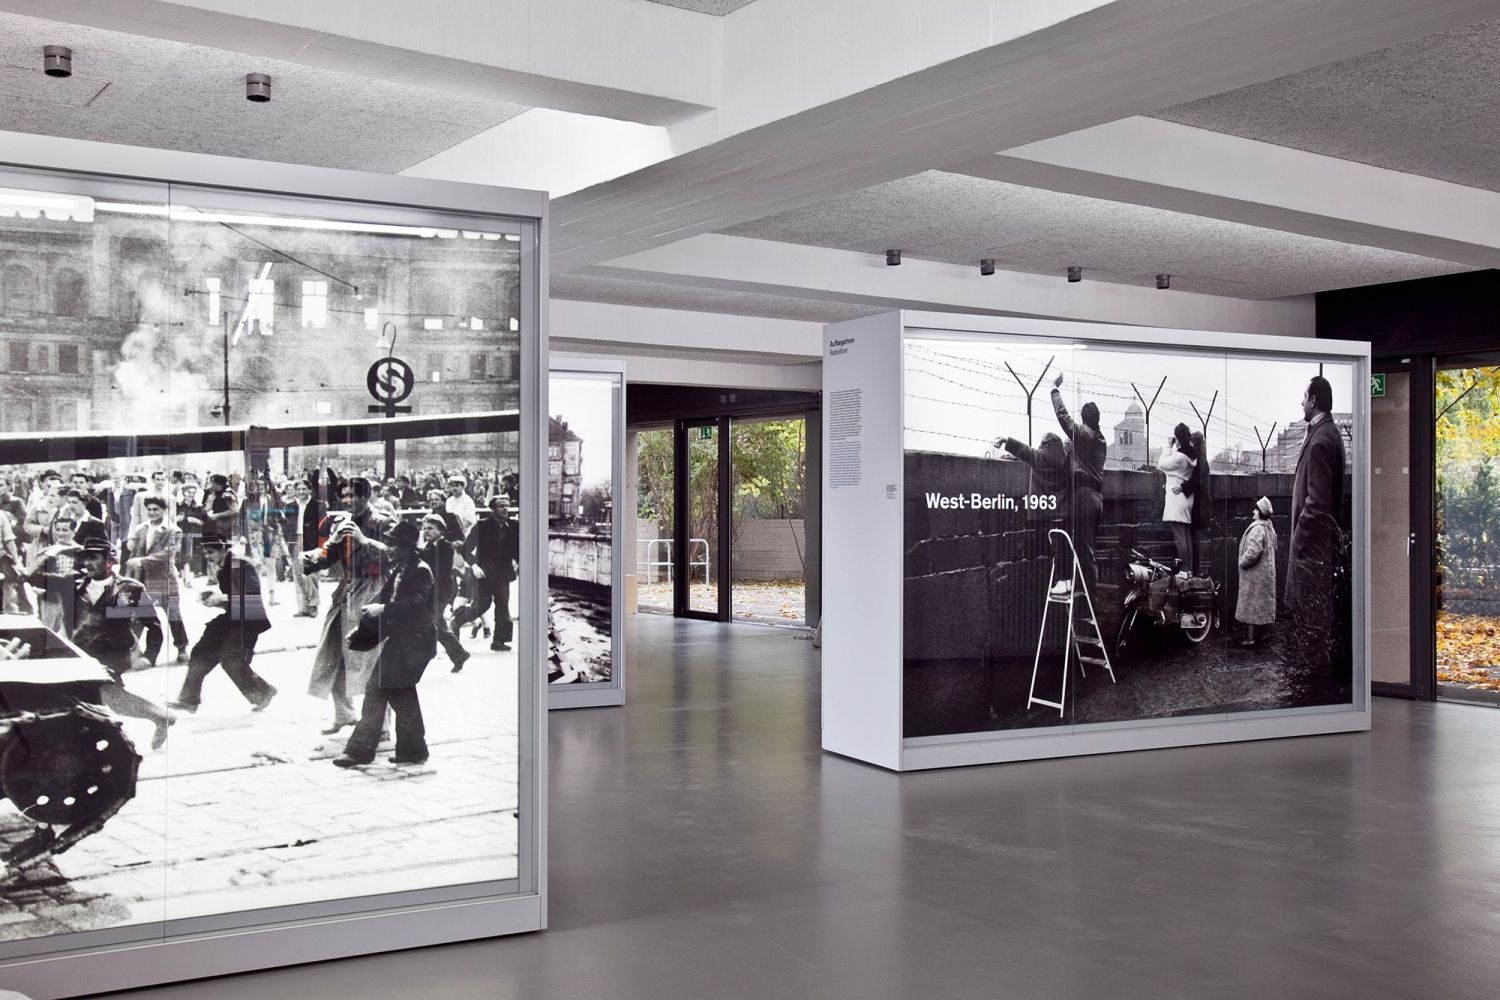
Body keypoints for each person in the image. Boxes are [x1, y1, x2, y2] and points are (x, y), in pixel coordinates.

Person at [30, 535, 174, 750]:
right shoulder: (72, 584)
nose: (87, 563)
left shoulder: (130, 588)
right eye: (85, 558)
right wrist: (54, 551)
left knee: (101, 697)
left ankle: (119, 740)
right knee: (108, 699)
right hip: (81, 654)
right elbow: (32, 577)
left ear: (109, 561)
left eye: (93, 558)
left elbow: (153, 626)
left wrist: (149, 656)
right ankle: (157, 717)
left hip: (113, 654)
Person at [333, 519, 436, 768]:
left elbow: (414, 605)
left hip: (415, 644)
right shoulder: (401, 568)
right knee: (402, 696)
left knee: (376, 690)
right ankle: (413, 750)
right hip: (403, 642)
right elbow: (382, 600)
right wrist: (362, 629)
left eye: (394, 544)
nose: (389, 548)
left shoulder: (421, 570)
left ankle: (360, 751)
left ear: (409, 547)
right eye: (389, 543)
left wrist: (383, 609)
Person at [302, 477, 394, 734]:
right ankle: (344, 714)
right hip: (346, 592)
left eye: (352, 495)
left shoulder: (383, 521)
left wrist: (365, 540)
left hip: (374, 589)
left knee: (370, 660)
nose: (347, 500)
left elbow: (399, 554)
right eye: (343, 496)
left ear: (366, 497)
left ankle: (382, 725)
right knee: (331, 656)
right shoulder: (342, 524)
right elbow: (328, 556)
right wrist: (311, 558)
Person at [169, 532, 276, 713]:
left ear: (223, 550)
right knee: (200, 652)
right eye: (205, 553)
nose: (208, 557)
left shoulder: (241, 565)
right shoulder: (224, 566)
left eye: (211, 552)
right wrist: (213, 599)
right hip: (232, 617)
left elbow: (250, 597)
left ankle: (263, 692)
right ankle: (188, 700)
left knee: (231, 660)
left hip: (248, 620)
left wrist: (223, 597)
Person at [1285, 375, 1346, 677]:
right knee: (1317, 617)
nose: (1301, 402)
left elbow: (1318, 502)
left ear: (1314, 401)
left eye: (1304, 396)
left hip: (1312, 549)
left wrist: (1298, 538)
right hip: (1319, 547)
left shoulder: (1322, 439)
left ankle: (1314, 680)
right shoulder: (1327, 433)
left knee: (1312, 616)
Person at [1049, 373, 1106, 596]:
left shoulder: (1087, 435)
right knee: (1086, 551)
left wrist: (1054, 390)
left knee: (1085, 553)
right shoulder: (1097, 439)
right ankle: (1087, 604)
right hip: (1096, 499)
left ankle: (1090, 606)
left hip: (1082, 498)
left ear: (1084, 420)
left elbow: (1065, 420)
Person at [995, 431, 1072, 595]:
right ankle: (1068, 580)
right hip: (1065, 511)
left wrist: (1005, 439)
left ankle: (1062, 582)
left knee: (1057, 548)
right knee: (1065, 547)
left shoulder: (1039, 458)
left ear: (1044, 446)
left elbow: (1023, 450)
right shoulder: (1065, 458)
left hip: (1049, 512)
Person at [124, 494, 190, 665]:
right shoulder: (140, 529)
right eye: (149, 509)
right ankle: (134, 651)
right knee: (140, 615)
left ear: (164, 510)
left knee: (173, 615)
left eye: (156, 509)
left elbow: (167, 555)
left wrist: (142, 561)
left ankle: (182, 648)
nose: (152, 512)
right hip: (143, 580)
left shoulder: (173, 530)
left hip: (164, 578)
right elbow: (135, 554)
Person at [453, 496, 519, 651]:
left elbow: (520, 546)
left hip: (503, 573)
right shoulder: (482, 526)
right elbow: (465, 548)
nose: (505, 508)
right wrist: (474, 565)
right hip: (483, 573)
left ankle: (498, 641)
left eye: (507, 505)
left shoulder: (514, 526)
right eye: (501, 506)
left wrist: (517, 560)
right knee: (481, 605)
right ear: (493, 509)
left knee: (503, 607)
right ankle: (456, 621)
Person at [419, 513, 469, 671]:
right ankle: (459, 654)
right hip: (431, 589)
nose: (427, 531)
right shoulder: (427, 546)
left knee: (435, 622)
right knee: (437, 623)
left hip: (441, 590)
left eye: (431, 528)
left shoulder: (445, 546)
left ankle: (457, 653)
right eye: (425, 528)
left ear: (440, 530)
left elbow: (441, 571)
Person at [1236, 497, 1278, 648]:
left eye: (1255, 509)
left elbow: (1253, 551)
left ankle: (1250, 638)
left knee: (1251, 606)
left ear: (1260, 512)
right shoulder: (1268, 527)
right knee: (1262, 604)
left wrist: (1243, 562)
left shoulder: (1258, 528)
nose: (1253, 512)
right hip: (1264, 574)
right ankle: (1263, 633)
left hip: (1255, 575)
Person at [1157, 423, 1197, 573]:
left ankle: (1184, 571)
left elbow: (1162, 464)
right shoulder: (1191, 455)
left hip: (1176, 499)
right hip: (1186, 498)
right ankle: (1189, 569)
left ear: (1177, 439)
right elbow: (1177, 473)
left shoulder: (1179, 457)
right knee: (1186, 535)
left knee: (1180, 537)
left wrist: (1168, 446)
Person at [285, 478, 325, 617]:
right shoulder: (290, 506)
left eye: (304, 489)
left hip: (311, 542)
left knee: (311, 574)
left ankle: (313, 605)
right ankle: (303, 607)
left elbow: (323, 527)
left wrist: (321, 546)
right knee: (298, 575)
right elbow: (286, 526)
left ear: (309, 490)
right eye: (299, 489)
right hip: (295, 541)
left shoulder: (318, 505)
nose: (301, 492)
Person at [1187, 430, 1213, 574]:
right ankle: (1199, 572)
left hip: (1199, 508)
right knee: (1199, 543)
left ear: (1194, 443)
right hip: (1202, 507)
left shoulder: (1199, 460)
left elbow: (1198, 484)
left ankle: (1199, 573)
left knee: (1198, 543)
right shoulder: (1202, 459)